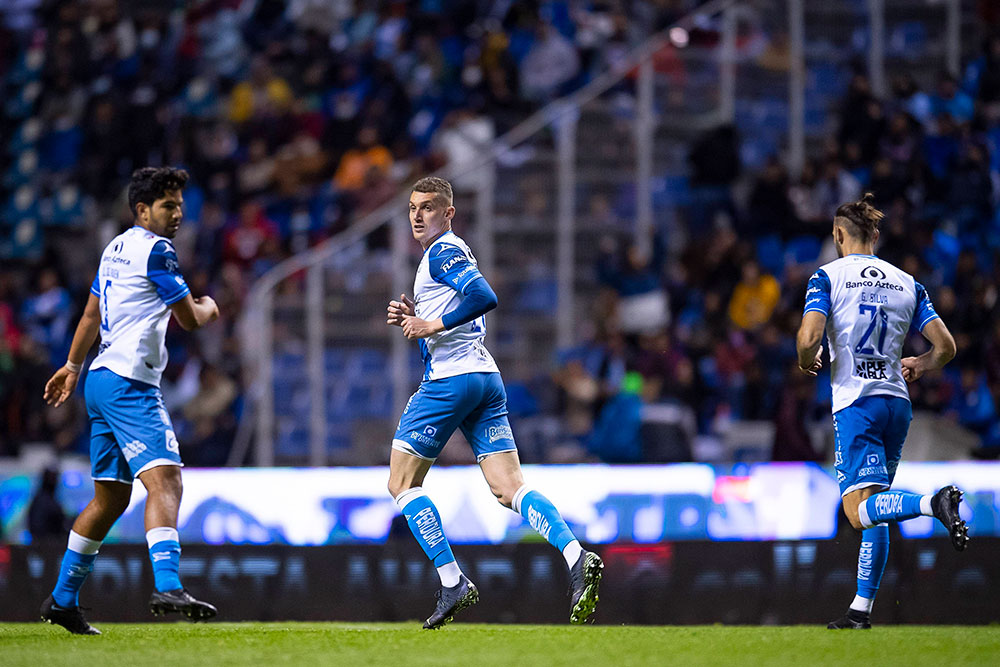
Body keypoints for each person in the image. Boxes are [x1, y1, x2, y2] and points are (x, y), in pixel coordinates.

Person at [386, 177, 603, 629]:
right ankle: (575, 556)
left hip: (451, 381)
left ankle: (452, 582)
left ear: (448, 213)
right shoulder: (444, 256)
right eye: (412, 208)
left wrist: (431, 326)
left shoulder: (444, 250)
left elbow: (485, 296)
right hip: (485, 377)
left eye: (428, 207)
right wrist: (418, 318)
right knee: (509, 488)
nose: (417, 216)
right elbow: (462, 309)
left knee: (402, 483)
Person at [40, 167, 220, 635]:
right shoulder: (158, 251)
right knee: (167, 481)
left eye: (180, 204)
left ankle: (62, 599)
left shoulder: (114, 248)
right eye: (168, 205)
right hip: (130, 384)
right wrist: (209, 305)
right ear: (142, 210)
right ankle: (167, 584)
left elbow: (90, 314)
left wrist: (72, 367)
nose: (178, 213)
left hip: (99, 377)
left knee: (111, 496)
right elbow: (190, 319)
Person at [796, 193, 968, 630]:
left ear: (838, 235)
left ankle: (934, 503)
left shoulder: (827, 277)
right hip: (897, 402)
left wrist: (805, 360)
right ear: (875, 235)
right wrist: (922, 364)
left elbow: (808, 337)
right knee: (878, 508)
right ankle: (860, 610)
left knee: (857, 511)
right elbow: (946, 347)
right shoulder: (909, 282)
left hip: (857, 404)